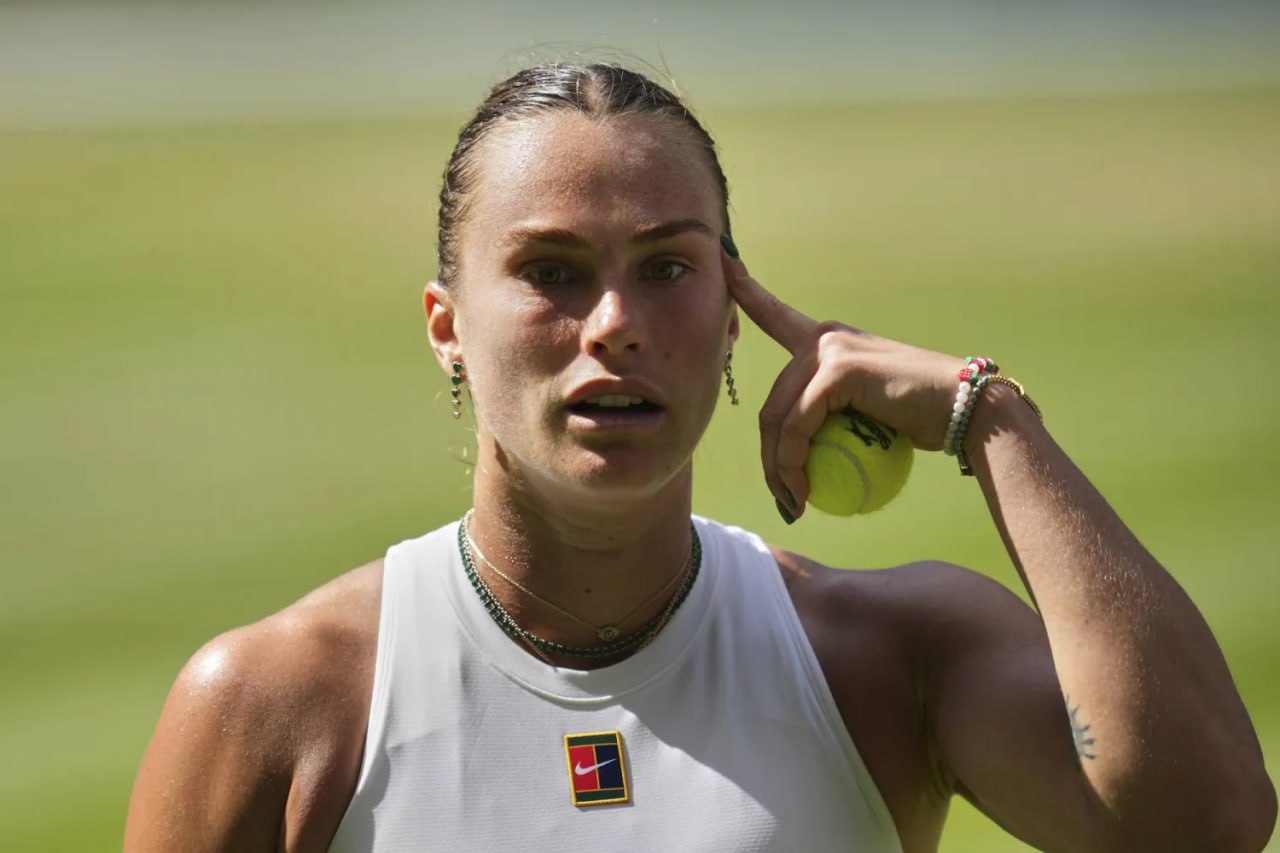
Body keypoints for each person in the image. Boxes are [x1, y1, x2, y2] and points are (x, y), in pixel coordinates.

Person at [124, 63, 1275, 852]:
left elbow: (1207, 822)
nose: (614, 322)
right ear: (446, 327)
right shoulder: (275, 704)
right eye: (551, 271)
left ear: (730, 317)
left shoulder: (880, 660)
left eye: (667, 267)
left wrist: (992, 420)